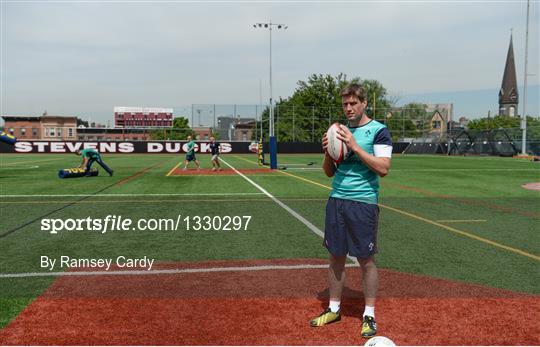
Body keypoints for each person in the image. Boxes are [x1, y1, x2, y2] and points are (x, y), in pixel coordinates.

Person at [309, 83, 392, 338]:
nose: (348, 108)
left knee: (365, 260)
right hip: (337, 199)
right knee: (336, 255)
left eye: (353, 103)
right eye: (345, 104)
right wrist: (327, 152)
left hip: (363, 202)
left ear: (364, 103)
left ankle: (369, 314)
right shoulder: (338, 130)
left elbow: (383, 168)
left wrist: (355, 146)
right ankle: (334, 308)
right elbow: (329, 172)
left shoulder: (378, 131)